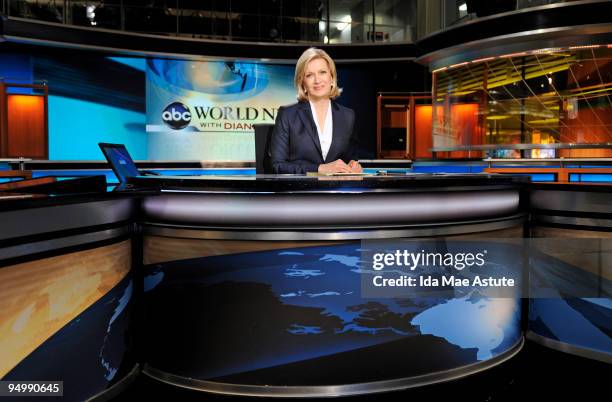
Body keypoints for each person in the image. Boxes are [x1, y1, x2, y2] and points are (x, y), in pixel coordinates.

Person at [270, 48, 362, 174]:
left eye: (322, 72)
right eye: (309, 75)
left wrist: (353, 165)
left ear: (331, 77)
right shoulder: (288, 115)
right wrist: (319, 169)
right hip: (301, 191)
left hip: (336, 191)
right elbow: (277, 165)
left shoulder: (348, 116)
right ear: (303, 83)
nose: (317, 80)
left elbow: (350, 158)